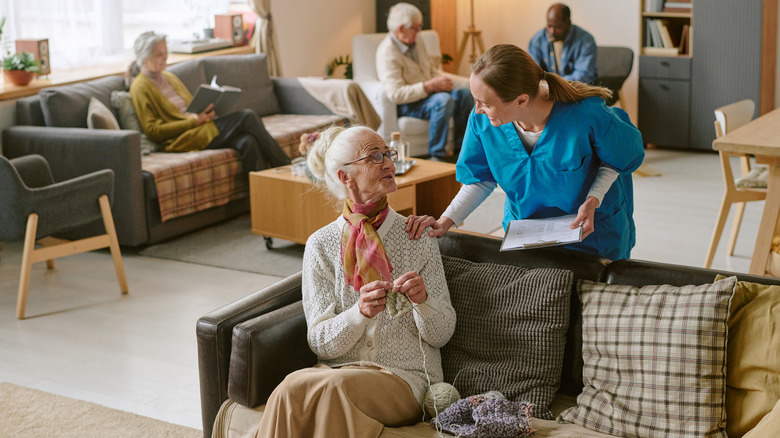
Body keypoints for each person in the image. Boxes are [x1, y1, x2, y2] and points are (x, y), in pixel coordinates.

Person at [254, 125, 457, 437]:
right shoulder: (320, 245)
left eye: (388, 154)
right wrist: (358, 313)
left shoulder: (417, 237)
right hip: (337, 373)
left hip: (405, 380)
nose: (389, 163)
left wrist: (423, 301)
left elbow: (442, 334)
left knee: (325, 386)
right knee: (291, 385)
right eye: (374, 157)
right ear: (344, 177)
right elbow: (319, 341)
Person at [405, 44, 644, 261]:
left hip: (589, 233)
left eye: (485, 103)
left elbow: (617, 158)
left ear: (520, 101)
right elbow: (479, 179)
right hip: (526, 234)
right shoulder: (484, 121)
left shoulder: (585, 114)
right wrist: (445, 222)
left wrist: (592, 201)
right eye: (475, 100)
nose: (477, 110)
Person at [128, 31, 290, 172]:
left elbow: (190, 107)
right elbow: (153, 130)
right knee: (247, 116)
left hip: (200, 127)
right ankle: (285, 165)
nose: (165, 57)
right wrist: (194, 121)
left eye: (165, 52)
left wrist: (206, 111)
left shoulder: (169, 77)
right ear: (144, 59)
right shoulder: (140, 87)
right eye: (159, 54)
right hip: (182, 138)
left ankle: (261, 198)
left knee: (248, 142)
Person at [376, 2, 474, 160]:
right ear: (401, 29)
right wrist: (429, 86)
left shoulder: (417, 41)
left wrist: (466, 82)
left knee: (464, 95)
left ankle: (461, 152)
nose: (419, 31)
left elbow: (430, 72)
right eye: (416, 27)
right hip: (407, 104)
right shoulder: (387, 52)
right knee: (443, 100)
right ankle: (437, 156)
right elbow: (396, 94)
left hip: (428, 96)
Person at [527, 3, 597, 84]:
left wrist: (554, 84)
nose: (552, 32)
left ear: (568, 24)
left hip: (578, 91)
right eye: (549, 26)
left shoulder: (586, 41)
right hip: (546, 90)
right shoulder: (537, 40)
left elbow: (584, 76)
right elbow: (532, 73)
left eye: (558, 27)